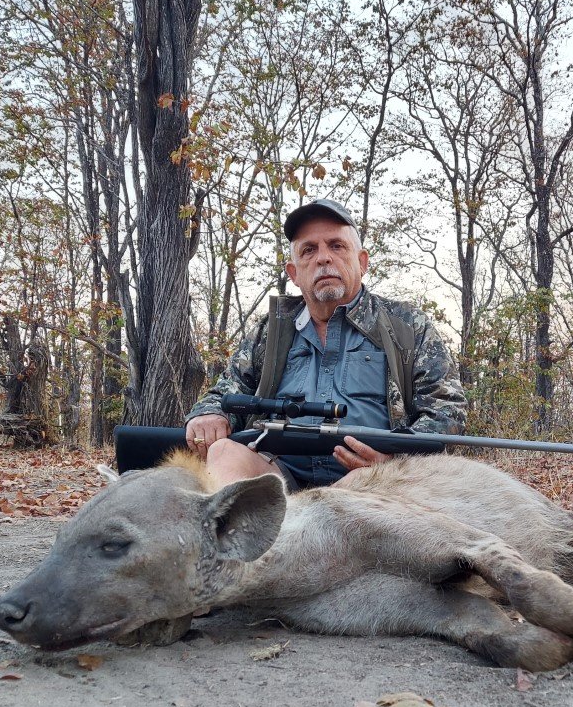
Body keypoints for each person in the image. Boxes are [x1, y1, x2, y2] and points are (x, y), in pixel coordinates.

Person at [185, 198, 466, 489]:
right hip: (280, 480)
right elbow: (224, 394)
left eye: (336, 246)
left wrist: (395, 459)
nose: (323, 258)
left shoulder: (408, 325)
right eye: (309, 250)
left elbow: (446, 410)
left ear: (362, 262)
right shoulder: (268, 333)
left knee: (353, 491)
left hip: (374, 484)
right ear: (294, 273)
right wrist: (209, 413)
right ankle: (236, 533)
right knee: (224, 452)